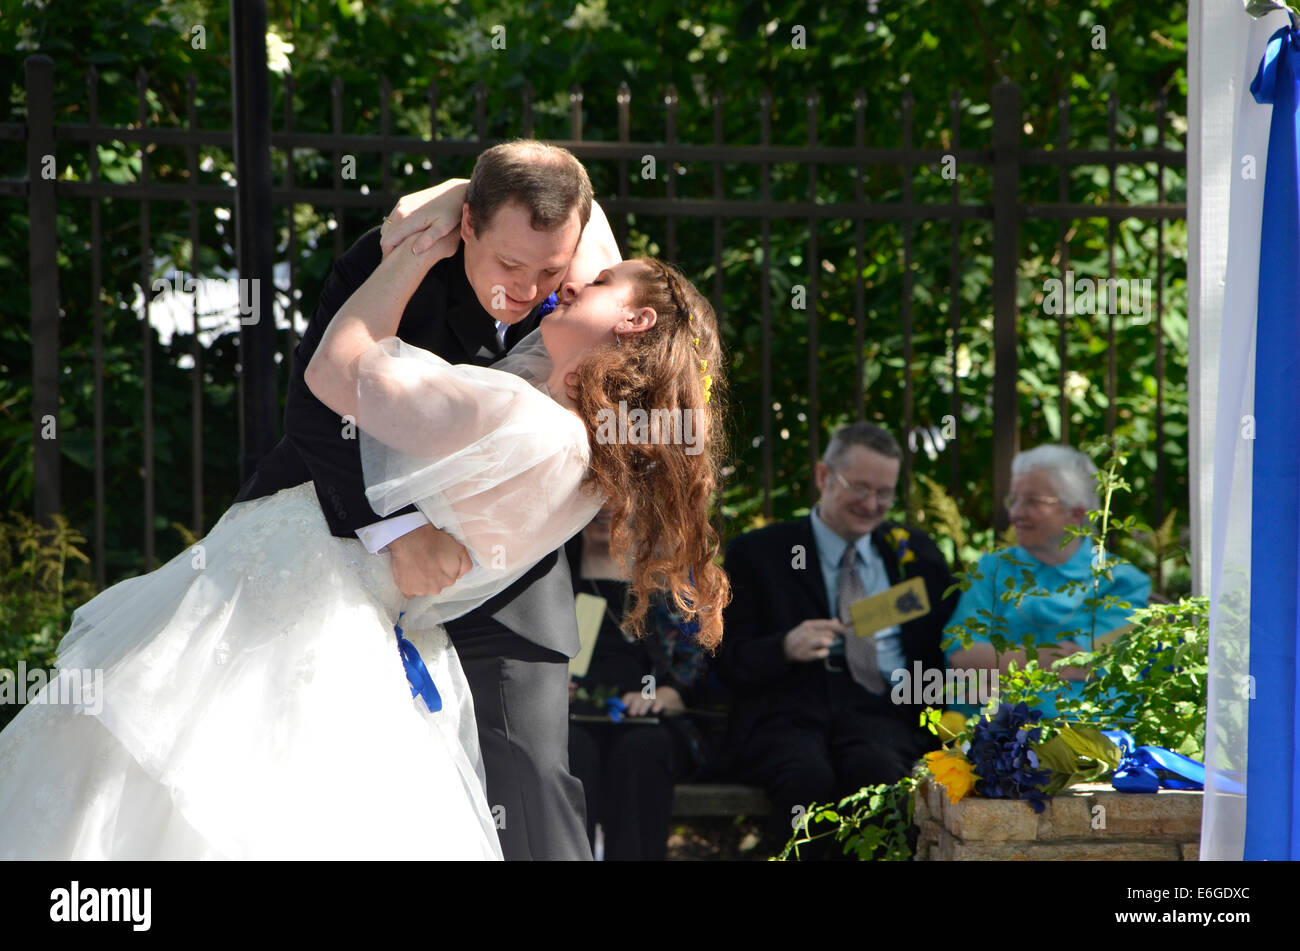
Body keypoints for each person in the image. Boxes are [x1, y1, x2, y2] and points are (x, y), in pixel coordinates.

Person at [0, 218, 728, 859]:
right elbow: (583, 223)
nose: (565, 285)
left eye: (597, 282)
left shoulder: (518, 416)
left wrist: (413, 247)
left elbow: (333, 367)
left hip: (287, 607)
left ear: (633, 322)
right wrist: (499, 209)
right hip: (359, 624)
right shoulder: (580, 445)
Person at [232, 140, 620, 860]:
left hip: (508, 569)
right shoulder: (396, 257)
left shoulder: (592, 289)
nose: (530, 289)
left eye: (550, 271)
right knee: (314, 765)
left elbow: (570, 196)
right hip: (349, 539)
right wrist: (396, 530)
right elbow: (318, 406)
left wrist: (453, 188)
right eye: (509, 264)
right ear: (466, 224)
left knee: (534, 780)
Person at [717, 422, 956, 858]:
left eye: (884, 493)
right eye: (860, 488)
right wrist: (784, 646)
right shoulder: (760, 553)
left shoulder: (914, 553)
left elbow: (941, 648)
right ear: (824, 477)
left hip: (881, 710)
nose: (872, 504)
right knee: (805, 778)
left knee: (880, 775)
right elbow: (725, 659)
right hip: (788, 708)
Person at [945, 444, 1150, 717]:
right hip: (988, 742)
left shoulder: (1121, 581)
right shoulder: (990, 569)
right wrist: (1047, 661)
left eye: (1032, 501)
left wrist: (997, 672)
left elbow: (1091, 668)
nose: (1015, 513)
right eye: (1014, 500)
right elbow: (960, 656)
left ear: (1076, 514)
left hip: (1086, 741)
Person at [565, 507, 712, 860]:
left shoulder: (665, 572)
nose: (604, 512)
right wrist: (546, 682)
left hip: (648, 716)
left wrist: (669, 692)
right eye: (593, 503)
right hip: (570, 713)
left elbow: (699, 653)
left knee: (643, 749)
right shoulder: (553, 567)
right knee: (570, 749)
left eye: (616, 501)